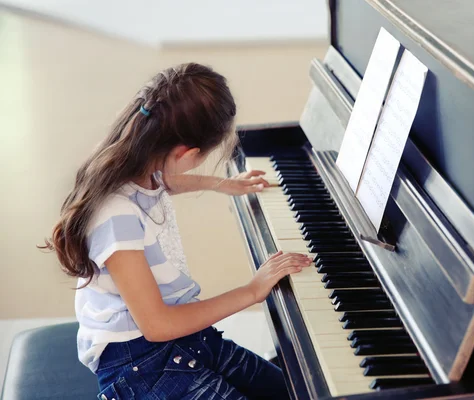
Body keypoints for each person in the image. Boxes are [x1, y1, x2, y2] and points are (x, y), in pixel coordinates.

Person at [41, 63, 311, 399]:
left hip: (183, 341)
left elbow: (165, 180)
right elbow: (158, 326)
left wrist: (221, 183)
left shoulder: (134, 163)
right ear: (186, 153)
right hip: (141, 366)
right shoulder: (117, 218)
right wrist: (252, 291)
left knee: (294, 392)